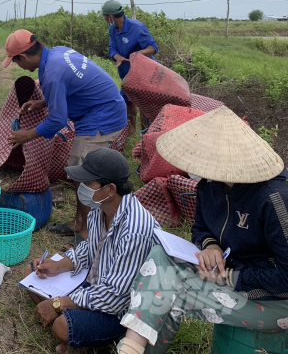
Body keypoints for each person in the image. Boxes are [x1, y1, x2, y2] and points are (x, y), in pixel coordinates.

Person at [118, 106, 288, 354]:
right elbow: (200, 227)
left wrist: (230, 276)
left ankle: (130, 350)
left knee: (167, 291)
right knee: (158, 256)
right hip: (229, 278)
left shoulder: (273, 200)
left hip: (273, 301)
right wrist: (210, 245)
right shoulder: (210, 186)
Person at [23, 148, 158, 353]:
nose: (82, 188)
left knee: (62, 326)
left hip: (120, 307)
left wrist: (59, 303)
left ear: (111, 189)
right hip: (96, 283)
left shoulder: (135, 231)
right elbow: (90, 248)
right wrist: (58, 265)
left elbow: (114, 296)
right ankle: (79, 339)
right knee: (30, 274)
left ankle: (74, 330)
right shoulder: (100, 207)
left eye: (88, 183)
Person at [3, 29, 128, 247]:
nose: (18, 67)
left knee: (86, 174)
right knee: (76, 170)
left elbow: (58, 120)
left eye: (15, 62)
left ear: (22, 57)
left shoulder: (52, 73)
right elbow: (73, 87)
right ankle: (78, 222)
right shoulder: (56, 54)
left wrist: (27, 135)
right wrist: (43, 102)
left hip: (102, 116)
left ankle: (88, 233)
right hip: (97, 110)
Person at [101, 0, 157, 134]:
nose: (104, 19)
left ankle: (146, 135)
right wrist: (117, 57)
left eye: (104, 16)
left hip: (143, 73)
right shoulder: (112, 30)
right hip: (126, 74)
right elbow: (112, 48)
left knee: (144, 105)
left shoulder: (137, 27)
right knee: (127, 102)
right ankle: (130, 134)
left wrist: (136, 55)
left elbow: (152, 48)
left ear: (111, 16)